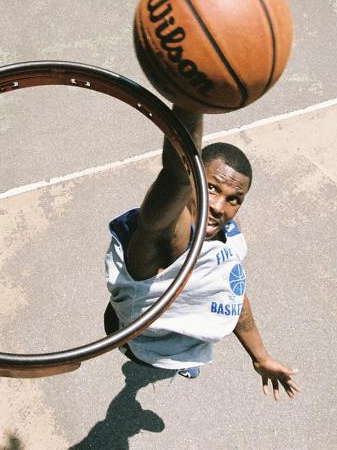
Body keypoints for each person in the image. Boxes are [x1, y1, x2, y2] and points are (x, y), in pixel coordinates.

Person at [104, 105, 300, 401]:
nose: (220, 207)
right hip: (147, 347)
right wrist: (190, 103)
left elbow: (232, 289)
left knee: (191, 347)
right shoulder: (164, 236)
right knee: (162, 366)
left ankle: (188, 358)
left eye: (234, 199)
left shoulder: (227, 234)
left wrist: (259, 355)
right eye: (211, 188)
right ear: (193, 180)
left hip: (183, 337)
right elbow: (176, 174)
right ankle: (175, 365)